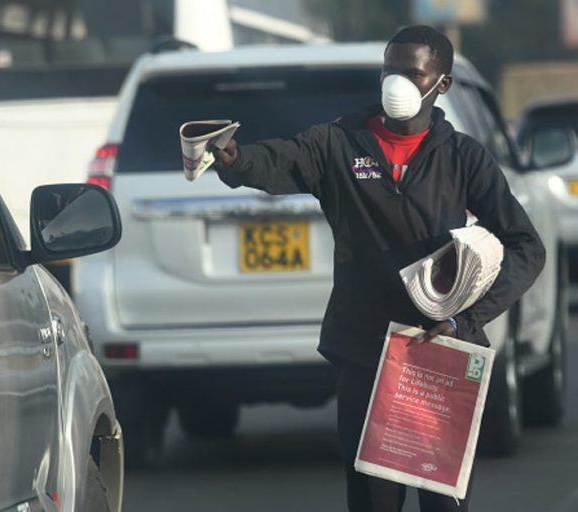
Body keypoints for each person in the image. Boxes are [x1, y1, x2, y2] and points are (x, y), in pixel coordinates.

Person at [211, 25, 546, 512]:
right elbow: (276, 162)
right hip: (366, 354)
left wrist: (464, 320)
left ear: (442, 85)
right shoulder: (337, 144)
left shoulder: (463, 158)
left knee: (442, 503)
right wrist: (233, 159)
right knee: (371, 502)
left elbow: (525, 247)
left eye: (413, 73)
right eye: (390, 70)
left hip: (442, 357)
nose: (398, 82)